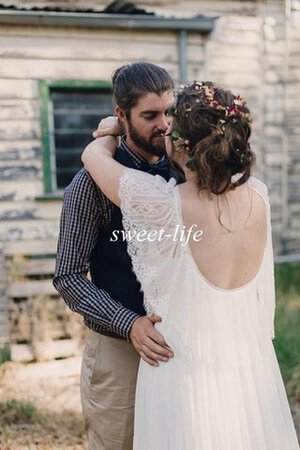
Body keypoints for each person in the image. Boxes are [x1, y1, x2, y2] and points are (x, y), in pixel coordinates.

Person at [81, 81, 300, 449]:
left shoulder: (163, 204)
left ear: (179, 144)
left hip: (183, 376)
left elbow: (92, 158)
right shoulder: (259, 196)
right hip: (250, 375)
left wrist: (112, 129)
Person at [53, 62, 185, 450]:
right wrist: (129, 324)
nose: (164, 124)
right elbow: (69, 276)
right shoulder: (88, 184)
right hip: (117, 352)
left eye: (169, 112)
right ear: (121, 116)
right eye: (150, 116)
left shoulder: (184, 170)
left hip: (181, 346)